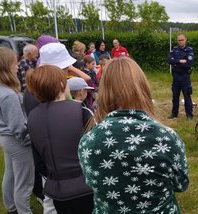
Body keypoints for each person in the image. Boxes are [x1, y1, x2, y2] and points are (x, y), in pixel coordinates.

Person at [78, 57, 189, 214]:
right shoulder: (168, 138)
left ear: (104, 91)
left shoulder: (88, 141)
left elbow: (92, 183)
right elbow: (181, 184)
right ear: (142, 88)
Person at [26, 65, 94, 214]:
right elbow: (95, 150)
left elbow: (38, 161)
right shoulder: (81, 112)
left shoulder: (32, 117)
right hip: (86, 186)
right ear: (62, 85)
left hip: (56, 190)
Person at [0, 47, 34, 214]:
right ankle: (23, 211)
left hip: (6, 139)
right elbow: (18, 128)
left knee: (11, 175)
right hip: (17, 142)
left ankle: (11, 207)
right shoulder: (8, 94)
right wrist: (30, 142)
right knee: (24, 181)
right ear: (6, 66)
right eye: (14, 63)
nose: (17, 67)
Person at [167, 33, 195, 120]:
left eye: (182, 40)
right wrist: (180, 61)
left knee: (187, 96)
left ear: (185, 40)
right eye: (179, 40)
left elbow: (188, 63)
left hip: (185, 76)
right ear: (177, 41)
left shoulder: (189, 50)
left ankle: (189, 115)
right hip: (176, 76)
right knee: (175, 96)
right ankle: (174, 113)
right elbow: (168, 60)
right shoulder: (174, 50)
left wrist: (175, 62)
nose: (181, 41)